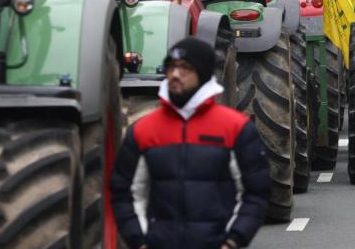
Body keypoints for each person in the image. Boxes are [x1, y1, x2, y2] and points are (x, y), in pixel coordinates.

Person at [111, 38, 271, 249]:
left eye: (185, 68)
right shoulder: (143, 130)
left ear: (203, 73)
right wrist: (138, 241)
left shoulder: (236, 129)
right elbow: (124, 192)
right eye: (171, 67)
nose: (175, 74)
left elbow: (255, 193)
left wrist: (233, 241)